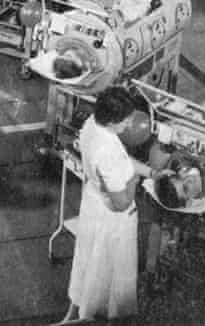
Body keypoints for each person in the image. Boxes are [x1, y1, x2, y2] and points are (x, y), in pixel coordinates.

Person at [59, 87, 161, 324]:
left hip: (93, 206)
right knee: (109, 277)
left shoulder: (93, 125)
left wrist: (153, 172)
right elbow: (122, 202)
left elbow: (123, 160)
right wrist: (135, 181)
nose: (128, 126)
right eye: (126, 121)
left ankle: (74, 314)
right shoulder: (107, 153)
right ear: (114, 121)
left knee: (87, 265)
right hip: (113, 221)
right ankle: (92, 319)